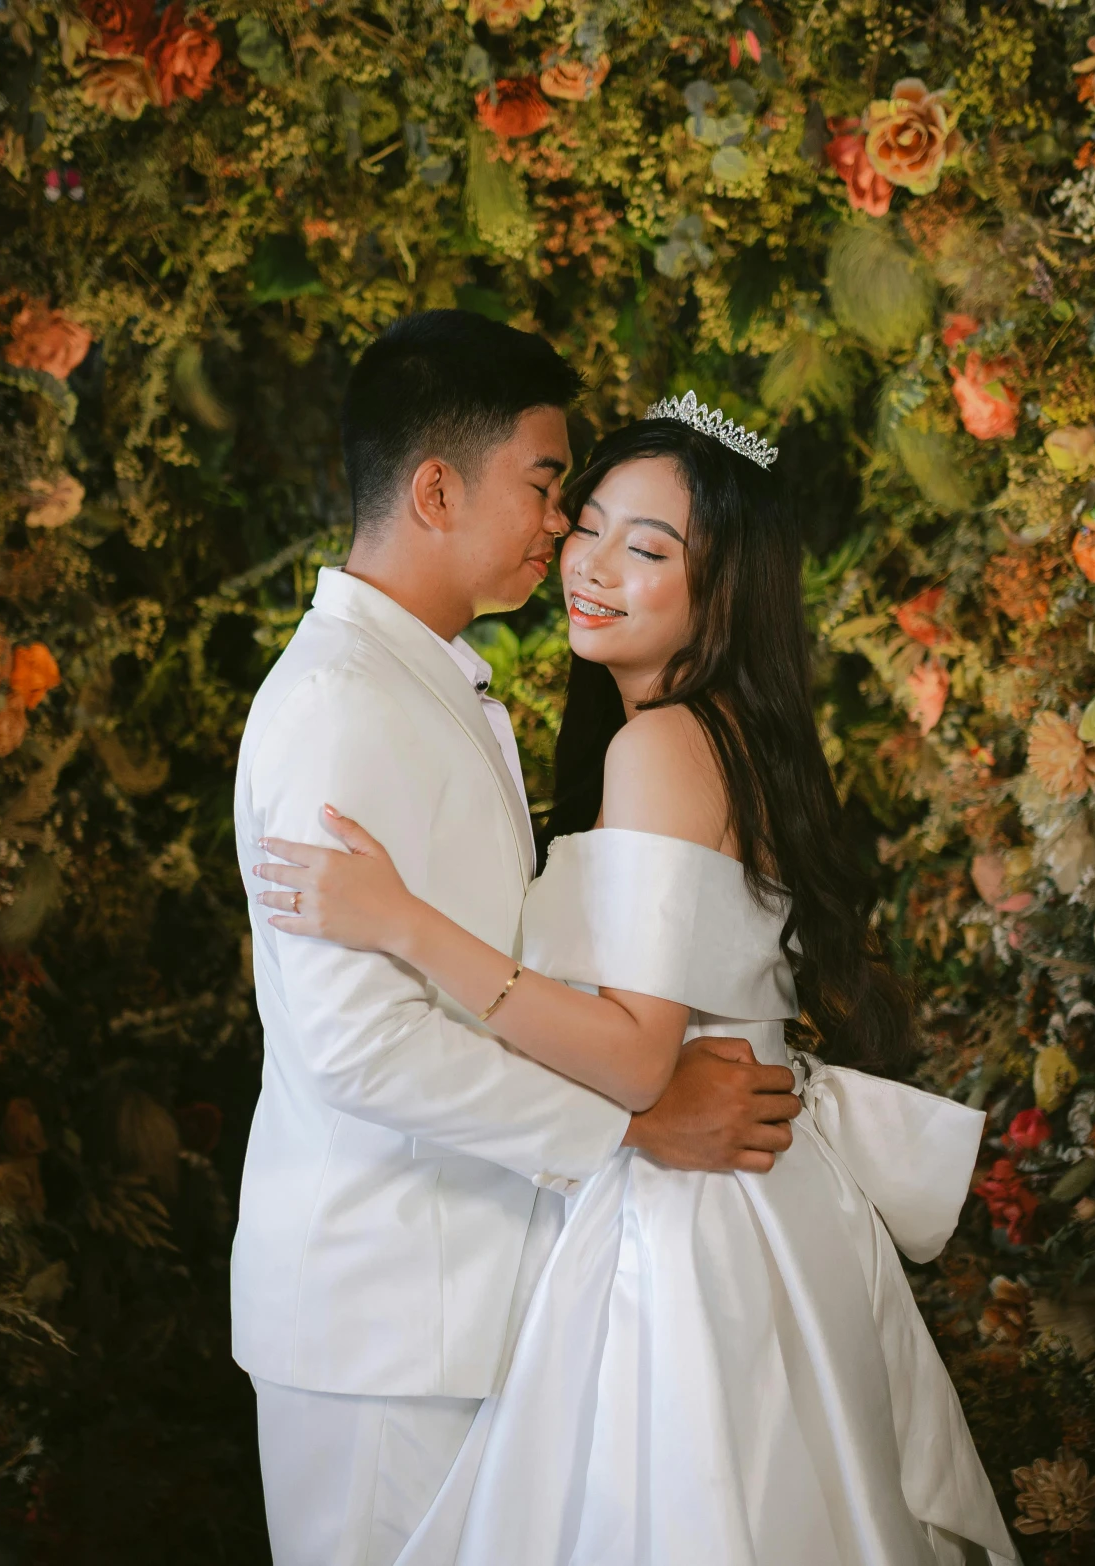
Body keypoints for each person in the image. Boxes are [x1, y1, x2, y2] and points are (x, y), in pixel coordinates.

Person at [252, 394, 1018, 1565]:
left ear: (722, 593)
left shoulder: (662, 745)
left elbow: (636, 1055)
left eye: (648, 549)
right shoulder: (702, 738)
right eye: (587, 523)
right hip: (719, 1203)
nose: (592, 565)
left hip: (691, 1221)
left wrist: (405, 923)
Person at [230, 315, 807, 1566]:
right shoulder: (345, 706)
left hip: (485, 1293)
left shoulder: (446, 683)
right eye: (552, 492)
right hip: (388, 1316)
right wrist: (633, 1128)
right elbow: (357, 1050)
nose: (563, 535)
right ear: (436, 488)